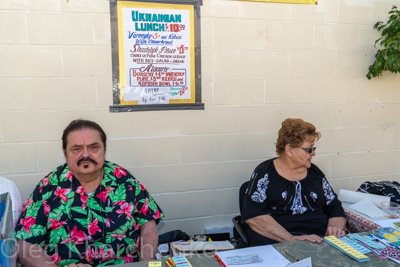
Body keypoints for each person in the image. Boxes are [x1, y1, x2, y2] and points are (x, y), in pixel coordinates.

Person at [15, 119, 165, 267]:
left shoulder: (124, 179)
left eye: (93, 147)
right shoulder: (48, 187)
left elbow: (148, 227)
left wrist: (146, 265)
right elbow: (25, 245)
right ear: (64, 152)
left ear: (104, 149)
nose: (85, 155)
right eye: (77, 149)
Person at [241, 118, 346, 247]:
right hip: (277, 238)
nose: (313, 153)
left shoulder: (315, 172)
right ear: (289, 150)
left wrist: (335, 228)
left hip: (317, 237)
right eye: (309, 149)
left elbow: (334, 206)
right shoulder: (264, 173)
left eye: (313, 148)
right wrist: (291, 239)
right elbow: (255, 216)